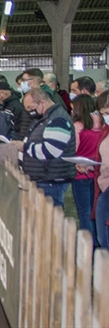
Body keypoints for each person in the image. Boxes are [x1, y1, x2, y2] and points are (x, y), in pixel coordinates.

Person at [12, 88, 76, 207]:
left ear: (42, 102)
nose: (30, 112)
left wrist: (24, 147)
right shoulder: (45, 118)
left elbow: (51, 151)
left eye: (31, 108)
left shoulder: (57, 119)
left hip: (50, 180)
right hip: (43, 178)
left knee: (49, 220)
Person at [70, 94, 101, 241]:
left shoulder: (77, 126)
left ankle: (87, 242)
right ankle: (98, 240)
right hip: (97, 172)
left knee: (84, 211)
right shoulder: (101, 125)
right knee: (96, 211)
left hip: (80, 173)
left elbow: (73, 148)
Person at [92, 91, 109, 248]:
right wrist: (91, 165)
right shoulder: (106, 131)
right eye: (103, 113)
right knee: (102, 236)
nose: (106, 117)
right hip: (104, 186)